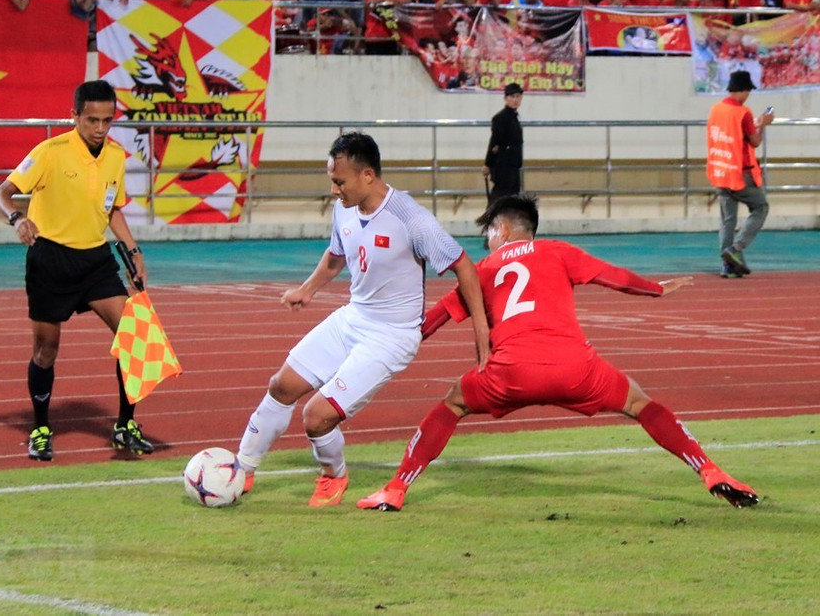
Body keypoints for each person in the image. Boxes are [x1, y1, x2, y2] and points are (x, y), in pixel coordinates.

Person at [358, 194, 760, 513]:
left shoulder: (480, 269)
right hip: (576, 370)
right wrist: (655, 287)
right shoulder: (558, 251)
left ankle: (395, 489)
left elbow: (433, 320)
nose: (487, 240)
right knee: (639, 402)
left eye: (489, 232)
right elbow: (613, 277)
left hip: (508, 374)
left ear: (502, 229)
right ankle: (709, 470)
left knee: (451, 405)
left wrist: (386, 345)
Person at [236, 132, 490, 506]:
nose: (334, 190)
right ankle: (240, 469)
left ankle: (333, 476)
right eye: (331, 181)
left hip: (392, 337)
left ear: (367, 175)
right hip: (353, 318)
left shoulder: (411, 219)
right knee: (281, 385)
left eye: (339, 182)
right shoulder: (344, 209)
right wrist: (308, 289)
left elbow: (465, 267)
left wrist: (481, 332)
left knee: (316, 417)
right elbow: (336, 254)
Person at [0, 80, 154, 462]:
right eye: (92, 120)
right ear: (75, 116)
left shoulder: (115, 155)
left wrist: (133, 250)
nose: (100, 128)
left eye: (107, 121)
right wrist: (17, 219)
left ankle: (125, 425)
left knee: (134, 337)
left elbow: (112, 208)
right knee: (46, 351)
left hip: (96, 260)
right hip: (51, 260)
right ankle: (42, 428)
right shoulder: (50, 151)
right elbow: (2, 192)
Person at [706, 69, 774, 278]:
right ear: (744, 90)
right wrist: (763, 125)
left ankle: (728, 266)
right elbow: (754, 141)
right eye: (748, 91)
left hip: (720, 170)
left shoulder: (716, 109)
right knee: (760, 207)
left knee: (728, 220)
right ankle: (734, 250)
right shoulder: (743, 112)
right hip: (740, 173)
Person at [483, 82, 524, 205]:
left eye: (518, 96)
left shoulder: (514, 117)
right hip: (503, 165)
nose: (515, 100)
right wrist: (488, 163)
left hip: (513, 165)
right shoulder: (501, 118)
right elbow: (495, 142)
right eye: (512, 97)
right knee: (499, 199)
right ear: (506, 98)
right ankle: (490, 221)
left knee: (511, 200)